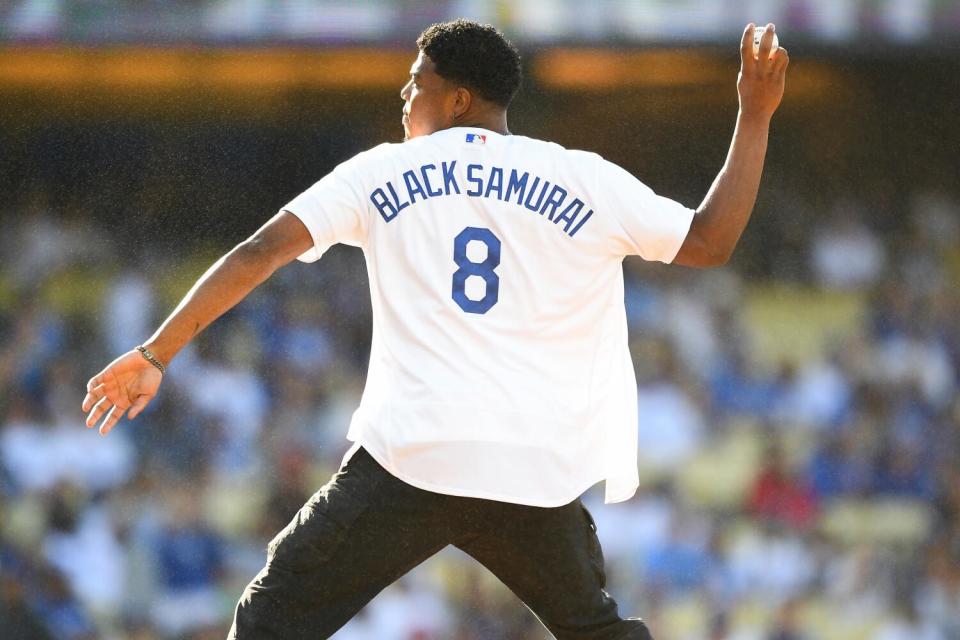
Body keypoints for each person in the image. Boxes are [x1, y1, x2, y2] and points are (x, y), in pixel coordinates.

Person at [82, 19, 788, 640]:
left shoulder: (381, 172)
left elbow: (261, 251)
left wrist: (156, 352)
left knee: (268, 623)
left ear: (458, 99)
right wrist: (754, 116)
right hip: (532, 467)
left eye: (416, 82)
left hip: (413, 457)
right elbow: (709, 240)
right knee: (597, 632)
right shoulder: (580, 178)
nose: (403, 95)